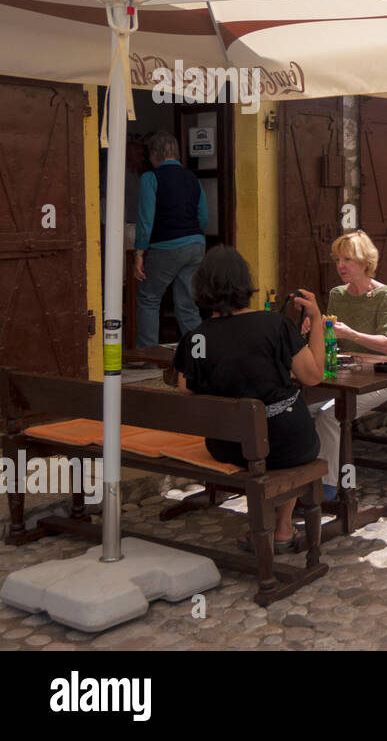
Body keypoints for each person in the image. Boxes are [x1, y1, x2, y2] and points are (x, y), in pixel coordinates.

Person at [173, 246, 323, 553]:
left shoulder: (197, 337)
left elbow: (185, 389)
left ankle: (268, 526)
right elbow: (313, 376)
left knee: (263, 432)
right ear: (245, 282)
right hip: (286, 444)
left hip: (228, 447)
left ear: (202, 286)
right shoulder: (274, 325)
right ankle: (281, 528)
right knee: (288, 420)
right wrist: (316, 319)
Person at [311, 231, 387, 499]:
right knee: (300, 408)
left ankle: (328, 487)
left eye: (347, 259)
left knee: (330, 415)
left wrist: (351, 334)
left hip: (380, 376)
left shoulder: (385, 295)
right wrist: (314, 328)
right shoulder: (338, 294)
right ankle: (302, 475)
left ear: (365, 261)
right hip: (343, 373)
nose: (341, 266)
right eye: (338, 259)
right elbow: (330, 336)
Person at [134, 131, 208, 347]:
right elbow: (203, 216)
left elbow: (146, 219)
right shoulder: (192, 178)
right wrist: (193, 236)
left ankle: (148, 357)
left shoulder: (151, 178)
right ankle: (198, 355)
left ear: (155, 154)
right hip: (196, 244)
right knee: (187, 303)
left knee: (149, 298)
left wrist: (139, 253)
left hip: (166, 245)